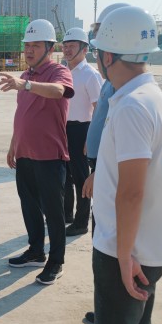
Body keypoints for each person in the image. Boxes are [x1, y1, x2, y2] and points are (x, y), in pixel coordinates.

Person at [88, 6, 162, 324]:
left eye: (97, 52)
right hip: (147, 244)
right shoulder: (147, 95)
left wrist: (124, 257)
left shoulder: (131, 106)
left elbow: (131, 193)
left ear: (108, 56)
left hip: (126, 249)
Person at [67, 2, 130, 324]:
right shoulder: (112, 86)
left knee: (109, 255)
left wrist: (97, 172)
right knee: (101, 252)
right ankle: (107, 314)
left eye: (98, 39)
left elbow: (121, 147)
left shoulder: (127, 95)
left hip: (111, 182)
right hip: (101, 172)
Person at [0, 19, 74, 285]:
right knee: (29, 206)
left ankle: (56, 261)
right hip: (25, 154)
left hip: (50, 156)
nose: (29, 50)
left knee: (53, 212)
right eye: (26, 45)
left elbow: (60, 91)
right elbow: (23, 114)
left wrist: (26, 85)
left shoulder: (58, 71)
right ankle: (36, 251)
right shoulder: (26, 75)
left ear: (50, 48)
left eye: (35, 45)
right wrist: (13, 145)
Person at [62, 27, 103, 236]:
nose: (67, 50)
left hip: (82, 130)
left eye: (72, 46)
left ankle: (81, 222)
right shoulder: (62, 72)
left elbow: (99, 109)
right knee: (65, 176)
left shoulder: (90, 75)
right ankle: (66, 214)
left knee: (81, 178)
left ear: (84, 49)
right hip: (63, 129)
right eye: (65, 46)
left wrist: (91, 138)